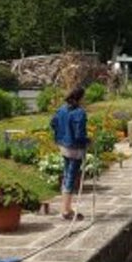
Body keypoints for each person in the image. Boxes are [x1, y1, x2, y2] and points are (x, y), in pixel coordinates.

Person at [50, 86, 88, 221]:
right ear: (80, 98)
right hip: (74, 148)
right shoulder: (79, 113)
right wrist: (88, 141)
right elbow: (79, 135)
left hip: (63, 145)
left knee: (66, 174)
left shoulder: (61, 109)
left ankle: (65, 207)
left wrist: (61, 134)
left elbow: (53, 123)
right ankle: (66, 210)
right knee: (71, 177)